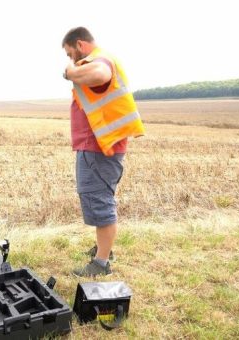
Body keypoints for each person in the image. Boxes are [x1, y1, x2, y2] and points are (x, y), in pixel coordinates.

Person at [62, 27, 145, 277]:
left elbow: (100, 74)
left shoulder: (99, 61)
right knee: (98, 199)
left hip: (99, 147)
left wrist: (69, 73)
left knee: (99, 201)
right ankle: (103, 249)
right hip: (97, 145)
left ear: (80, 44)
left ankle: (101, 263)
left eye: (70, 53)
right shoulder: (98, 60)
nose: (70, 60)